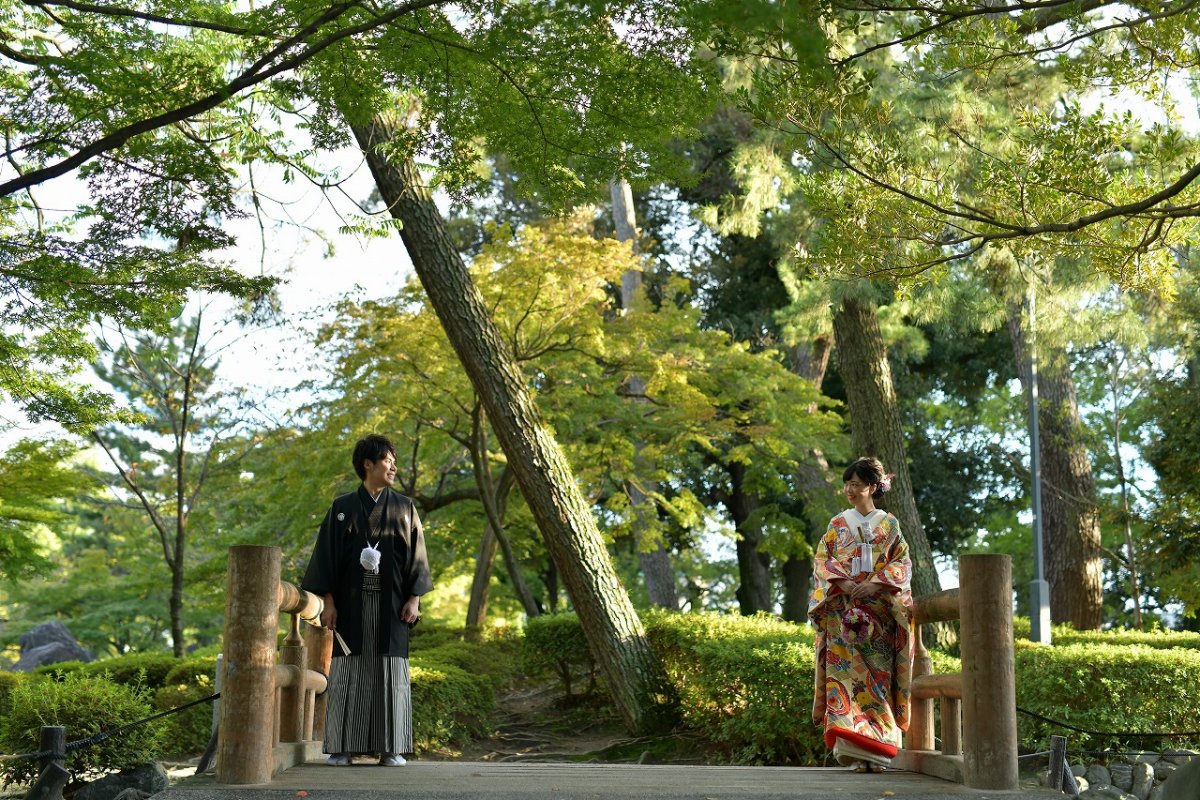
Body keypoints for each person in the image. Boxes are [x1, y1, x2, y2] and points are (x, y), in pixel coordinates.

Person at [302, 434, 433, 766]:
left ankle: (391, 747)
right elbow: (327, 557)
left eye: (393, 461)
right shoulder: (342, 508)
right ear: (368, 464)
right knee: (349, 670)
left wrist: (414, 598)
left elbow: (417, 556)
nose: (393, 466)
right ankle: (343, 748)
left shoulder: (404, 508)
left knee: (391, 672)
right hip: (350, 603)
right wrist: (328, 602)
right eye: (387, 460)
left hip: (392, 604)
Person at [808, 456, 913, 772]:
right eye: (847, 484)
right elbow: (822, 560)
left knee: (877, 680)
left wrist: (876, 584)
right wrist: (845, 581)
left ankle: (879, 755)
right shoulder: (838, 524)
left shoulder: (890, 524)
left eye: (856, 484)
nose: (849, 490)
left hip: (879, 615)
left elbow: (903, 563)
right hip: (843, 611)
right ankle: (854, 754)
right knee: (843, 680)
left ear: (871, 487)